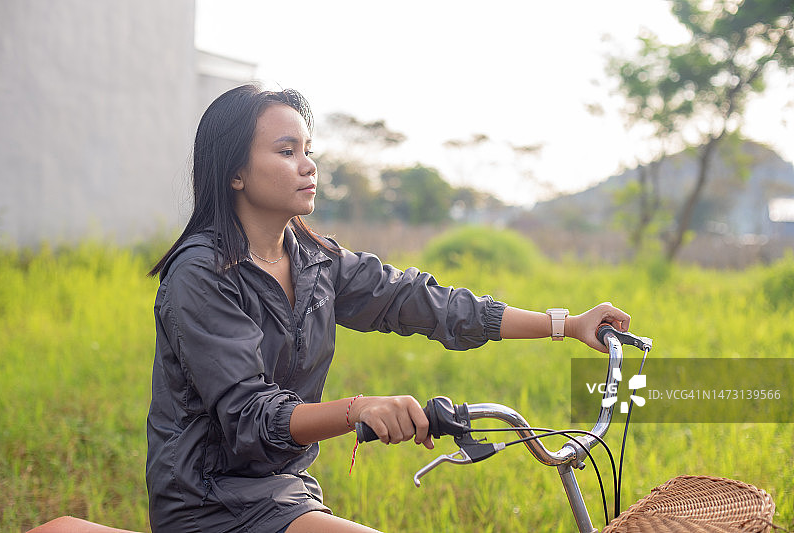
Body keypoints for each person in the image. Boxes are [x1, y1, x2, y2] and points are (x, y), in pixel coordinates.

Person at [145, 83, 631, 533]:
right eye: (286, 151)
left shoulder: (315, 260)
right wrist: (360, 408)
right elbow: (251, 416)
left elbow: (420, 300)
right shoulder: (202, 274)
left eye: (308, 151)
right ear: (234, 171)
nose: (308, 165)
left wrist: (564, 325)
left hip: (286, 488)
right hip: (206, 499)